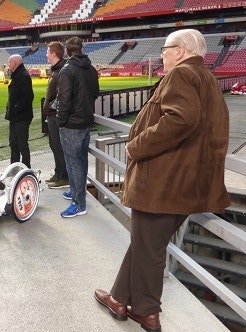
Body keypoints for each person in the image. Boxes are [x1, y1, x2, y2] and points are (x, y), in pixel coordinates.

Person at [94, 29, 230, 332]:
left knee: (149, 247)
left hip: (164, 183)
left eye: (165, 49)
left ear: (180, 50)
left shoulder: (181, 75)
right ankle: (119, 298)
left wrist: (135, 146)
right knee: (146, 243)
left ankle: (146, 311)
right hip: (187, 184)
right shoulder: (206, 77)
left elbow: (181, 119)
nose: (161, 55)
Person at [56, 37, 99, 218]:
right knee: (80, 161)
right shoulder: (91, 69)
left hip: (71, 124)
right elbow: (95, 93)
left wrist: (60, 120)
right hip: (86, 122)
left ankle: (79, 203)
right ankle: (75, 192)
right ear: (81, 50)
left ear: (67, 51)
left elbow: (64, 100)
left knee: (74, 163)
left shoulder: (67, 70)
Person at [42, 41, 69, 189]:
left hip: (55, 115)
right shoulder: (56, 70)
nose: (46, 55)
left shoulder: (61, 71)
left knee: (59, 146)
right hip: (51, 115)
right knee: (54, 145)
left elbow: (61, 95)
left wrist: (52, 108)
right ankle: (58, 173)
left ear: (53, 54)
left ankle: (64, 177)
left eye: (47, 52)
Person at [5, 54, 34, 168]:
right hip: (15, 116)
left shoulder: (23, 75)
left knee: (21, 144)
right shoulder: (18, 75)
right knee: (13, 143)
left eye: (9, 63)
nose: (8, 65)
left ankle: (26, 168)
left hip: (21, 117)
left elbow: (28, 97)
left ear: (15, 63)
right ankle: (14, 167)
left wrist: (15, 108)